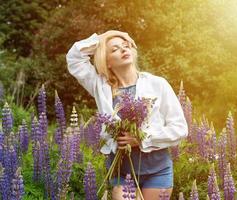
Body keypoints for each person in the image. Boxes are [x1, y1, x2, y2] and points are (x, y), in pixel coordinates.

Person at [66, 30, 188, 200]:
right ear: (106, 61)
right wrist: (108, 34)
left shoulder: (157, 84)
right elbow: (75, 56)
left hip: (158, 170)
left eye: (126, 45)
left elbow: (180, 128)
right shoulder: (101, 86)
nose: (124, 50)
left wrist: (142, 139)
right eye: (115, 49)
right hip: (121, 172)